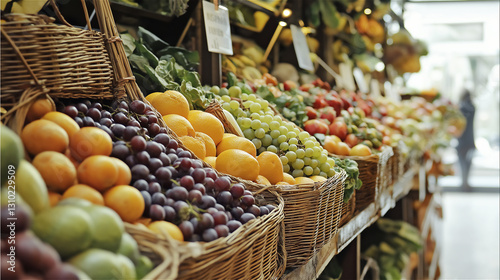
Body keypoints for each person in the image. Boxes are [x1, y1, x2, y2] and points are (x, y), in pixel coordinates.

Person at [456, 89, 476, 191]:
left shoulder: (463, 108)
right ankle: (465, 183)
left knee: (463, 163)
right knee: (466, 163)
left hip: (462, 140)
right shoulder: (472, 107)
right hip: (469, 140)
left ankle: (464, 183)